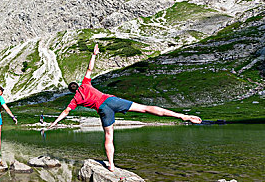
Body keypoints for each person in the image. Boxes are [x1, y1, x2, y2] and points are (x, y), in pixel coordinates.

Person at [48, 44, 202, 172]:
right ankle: (182, 116)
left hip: (103, 110)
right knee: (145, 108)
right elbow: (89, 69)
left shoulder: (75, 99)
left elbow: (65, 112)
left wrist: (54, 123)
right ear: (78, 84)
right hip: (112, 100)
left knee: (109, 136)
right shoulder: (86, 83)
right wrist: (94, 54)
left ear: (71, 91)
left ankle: (112, 165)